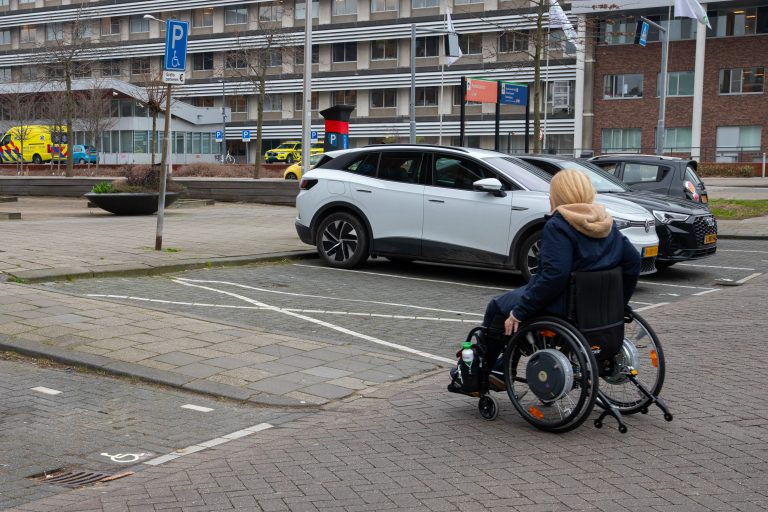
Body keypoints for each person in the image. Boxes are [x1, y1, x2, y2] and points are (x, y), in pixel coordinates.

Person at [479, 169, 642, 388]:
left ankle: (482, 372)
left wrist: (520, 311)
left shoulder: (560, 225)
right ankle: (503, 365)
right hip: (596, 307)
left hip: (564, 303)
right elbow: (633, 262)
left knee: (499, 307)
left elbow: (554, 276)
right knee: (519, 305)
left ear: (558, 195)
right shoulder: (605, 222)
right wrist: (619, 302)